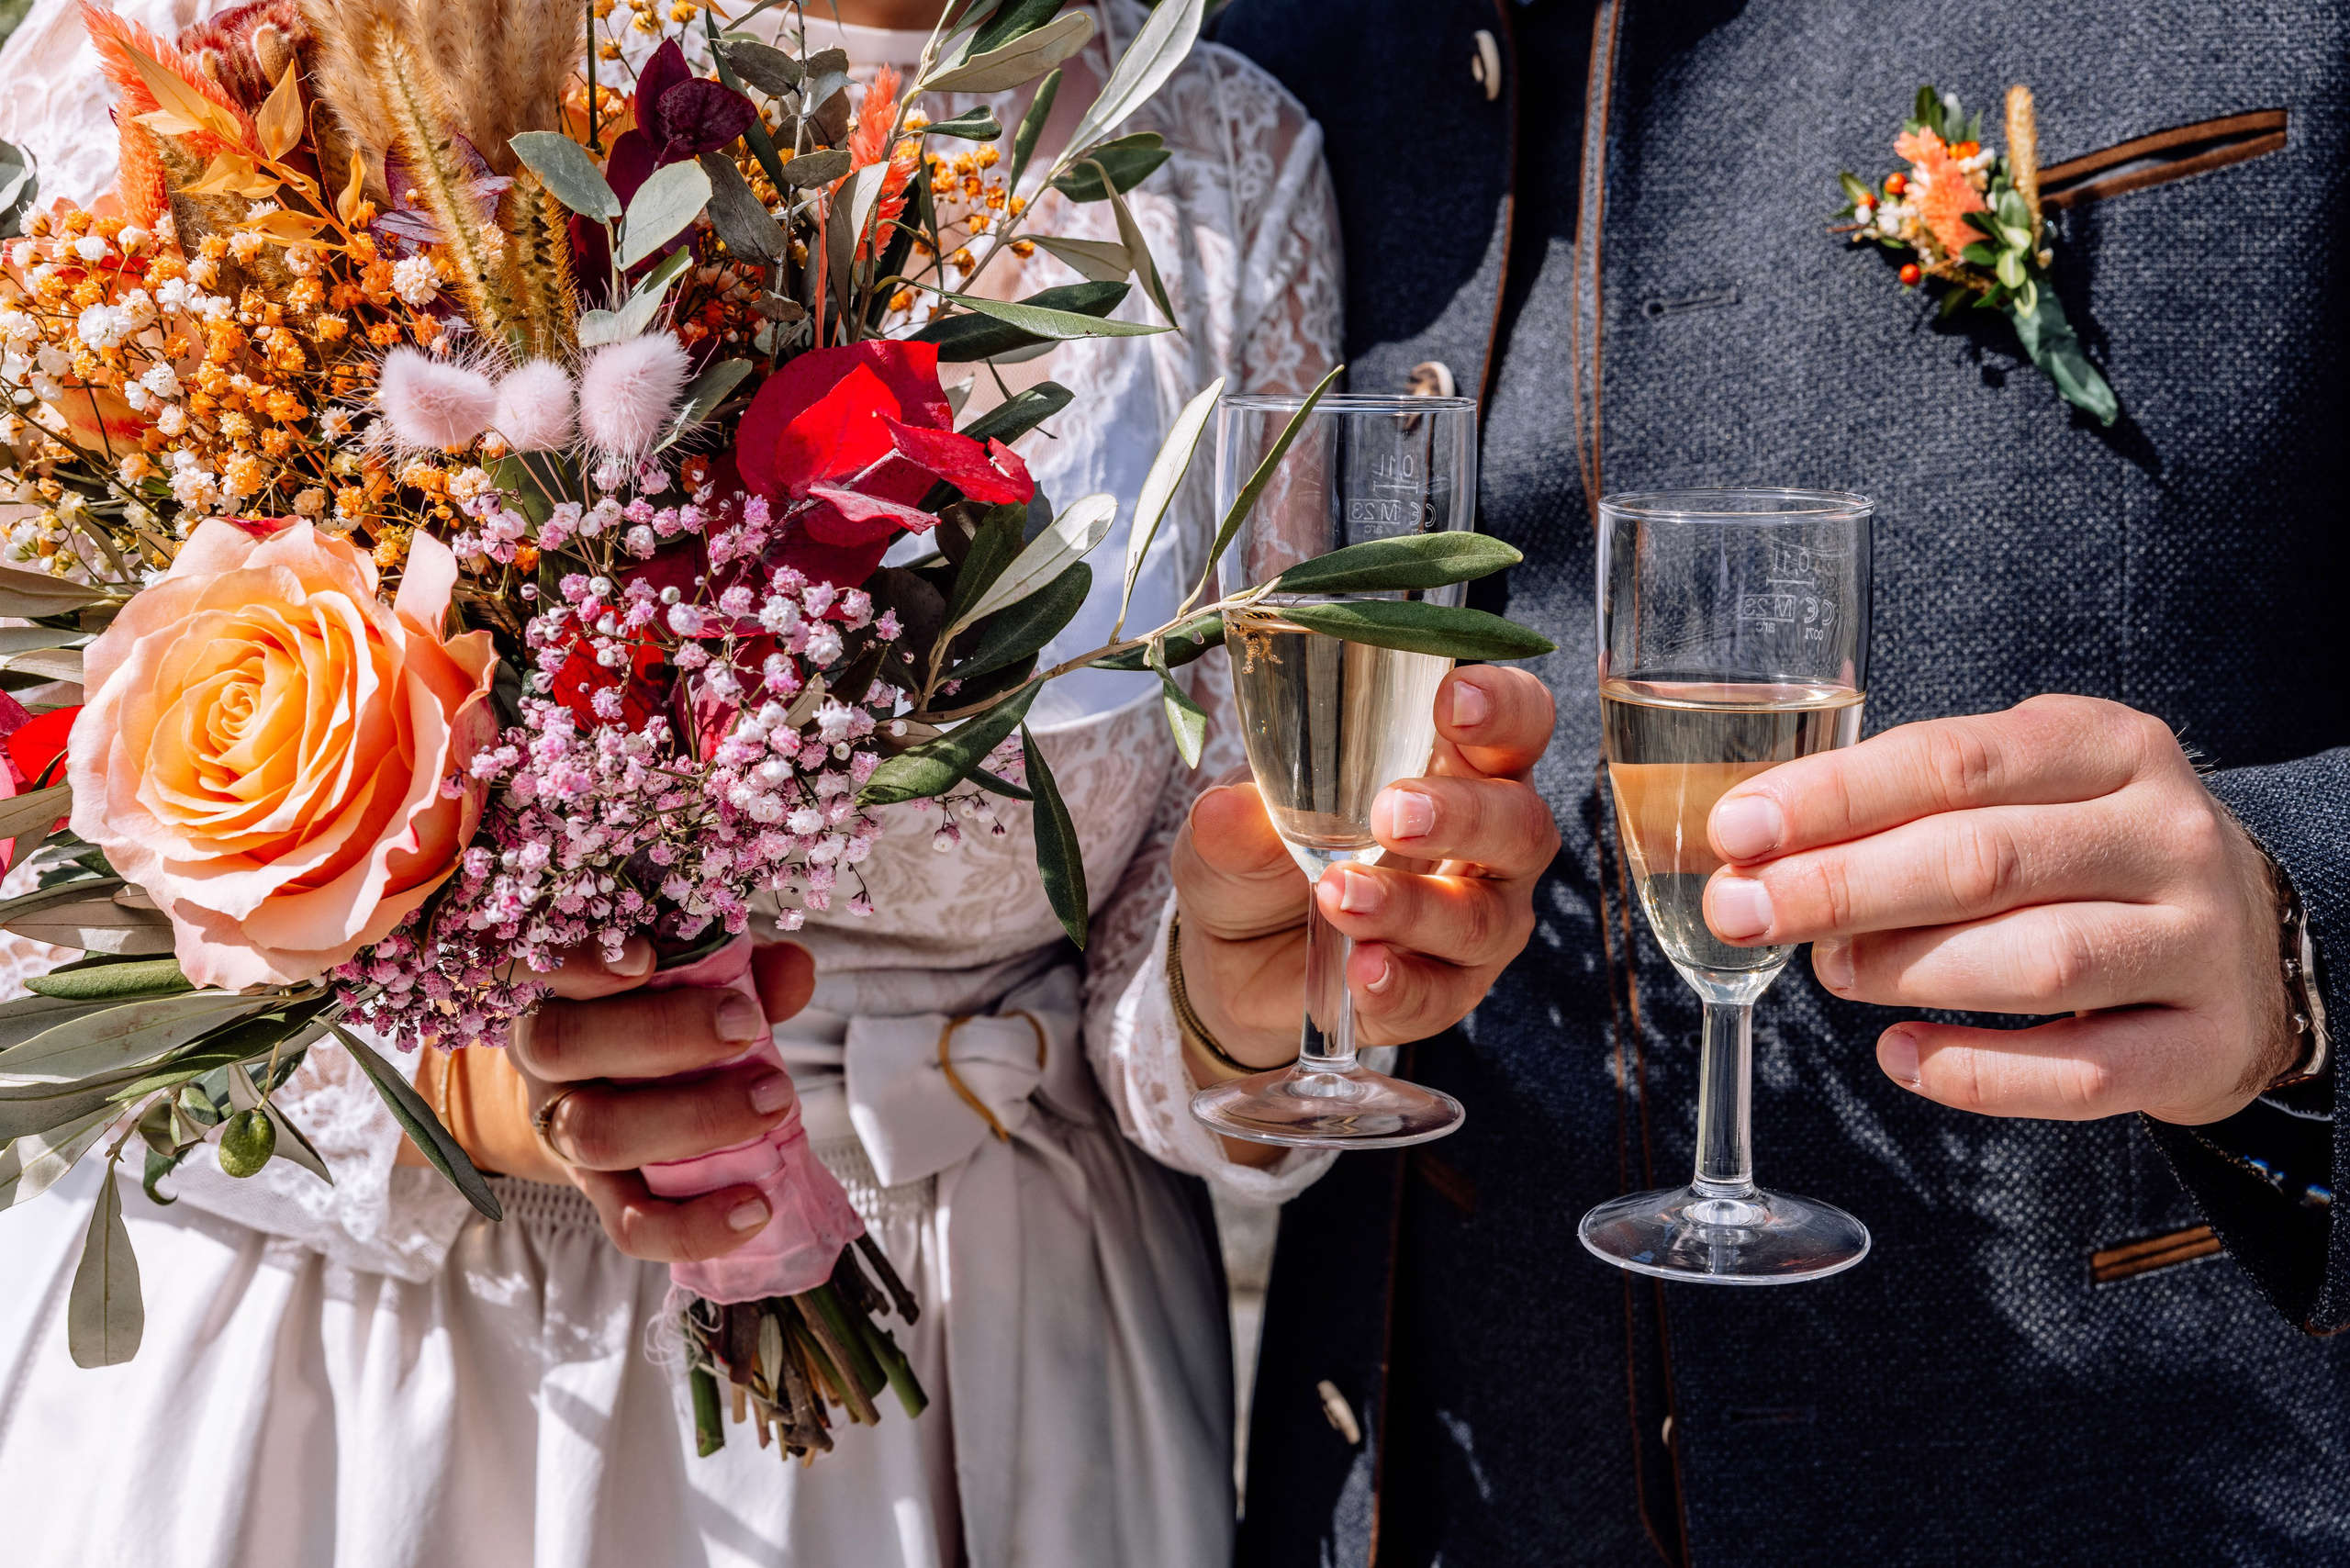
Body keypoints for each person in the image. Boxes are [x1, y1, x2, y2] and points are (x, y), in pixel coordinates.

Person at [0, 5, 1556, 1566]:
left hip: (992, 1377)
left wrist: (1246, 984)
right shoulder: (229, 63)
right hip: (377, 1392)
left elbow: (1150, 992)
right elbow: (38, 897)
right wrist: (482, 1074)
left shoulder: (1219, 157)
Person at [1178, 1, 2348, 1562]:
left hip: (2120, 1491)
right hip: (1428, 1493)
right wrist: (1214, 1005)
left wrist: (2304, 933)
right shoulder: (1272, 55)